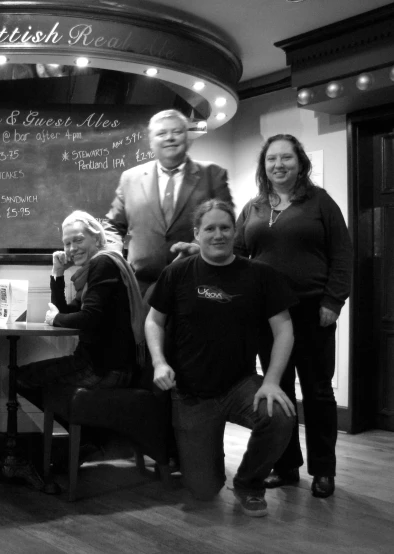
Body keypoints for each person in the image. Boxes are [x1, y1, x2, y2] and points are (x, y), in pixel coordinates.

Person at [145, 200, 297, 517]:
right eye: (210, 228)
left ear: (235, 231)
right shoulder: (177, 273)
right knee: (202, 490)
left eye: (225, 227)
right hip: (190, 393)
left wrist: (271, 382)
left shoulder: (259, 275)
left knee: (280, 415)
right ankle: (211, 455)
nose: (218, 234)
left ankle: (248, 483)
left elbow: (284, 329)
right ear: (197, 234)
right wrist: (159, 361)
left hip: (238, 386)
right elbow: (153, 321)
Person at [235, 134, 353, 498]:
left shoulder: (320, 203)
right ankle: (286, 466)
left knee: (317, 393)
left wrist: (333, 302)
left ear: (300, 163)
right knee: (279, 392)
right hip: (267, 317)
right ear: (264, 166)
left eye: (286, 158)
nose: (279, 165)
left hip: (312, 311)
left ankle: (323, 470)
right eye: (272, 159)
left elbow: (343, 255)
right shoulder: (253, 208)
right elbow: (237, 257)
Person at [17, 211, 146, 460]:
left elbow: (88, 319)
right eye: (67, 243)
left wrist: (55, 319)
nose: (71, 248)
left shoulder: (103, 263)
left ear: (97, 238)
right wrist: (57, 273)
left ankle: (92, 439)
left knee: (21, 378)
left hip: (106, 369)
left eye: (78, 240)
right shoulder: (94, 270)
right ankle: (93, 438)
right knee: (28, 379)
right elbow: (68, 312)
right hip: (103, 364)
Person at [104, 109, 233, 300]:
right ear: (151, 143)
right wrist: (115, 258)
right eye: (161, 133)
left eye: (177, 132)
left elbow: (226, 224)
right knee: (143, 331)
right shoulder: (130, 179)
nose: (169, 138)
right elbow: (112, 226)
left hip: (197, 280)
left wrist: (199, 247)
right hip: (140, 286)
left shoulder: (213, 174)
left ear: (188, 138)